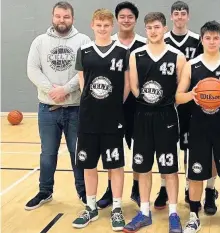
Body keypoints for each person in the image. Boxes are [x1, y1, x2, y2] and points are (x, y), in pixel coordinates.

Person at [177, 20, 220, 233]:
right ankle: (193, 216)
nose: (212, 41)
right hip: (198, 125)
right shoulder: (192, 64)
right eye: (208, 37)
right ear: (202, 39)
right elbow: (178, 97)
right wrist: (193, 94)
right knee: (196, 174)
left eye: (216, 38)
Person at [123, 12, 185, 233]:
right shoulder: (136, 55)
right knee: (143, 166)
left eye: (157, 27)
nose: (153, 31)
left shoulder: (177, 56)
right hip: (142, 116)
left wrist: (166, 104)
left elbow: (180, 88)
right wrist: (147, 101)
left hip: (166, 117)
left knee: (170, 168)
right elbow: (134, 87)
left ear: (165, 29)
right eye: (149, 28)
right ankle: (144, 212)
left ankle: (174, 213)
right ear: (145, 30)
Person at [25, 1, 90, 211]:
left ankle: (83, 192)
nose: (62, 20)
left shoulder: (83, 40)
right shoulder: (40, 41)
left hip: (76, 108)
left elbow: (86, 71)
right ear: (53, 17)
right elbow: (33, 70)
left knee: (77, 152)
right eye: (58, 16)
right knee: (47, 154)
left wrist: (65, 90)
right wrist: (52, 90)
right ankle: (45, 191)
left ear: (73, 18)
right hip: (48, 110)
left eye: (66, 17)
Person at [71, 8, 129, 231]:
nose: (103, 28)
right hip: (88, 118)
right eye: (99, 25)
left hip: (113, 118)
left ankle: (116, 208)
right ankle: (91, 206)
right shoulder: (84, 51)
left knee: (115, 165)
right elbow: (82, 83)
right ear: (92, 26)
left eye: (107, 25)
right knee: (88, 164)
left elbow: (124, 87)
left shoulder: (122, 51)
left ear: (112, 26)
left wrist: (112, 105)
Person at [159, 0, 219, 214]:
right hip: (165, 104)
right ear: (172, 17)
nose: (180, 16)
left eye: (183, 13)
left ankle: (202, 188)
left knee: (194, 150)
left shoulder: (198, 40)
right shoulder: (162, 40)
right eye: (176, 13)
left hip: (194, 103)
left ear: (188, 16)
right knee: (165, 147)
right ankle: (164, 187)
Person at [97, 1, 147, 210]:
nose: (126, 20)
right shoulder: (108, 43)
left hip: (138, 106)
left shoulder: (144, 44)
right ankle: (111, 189)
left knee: (138, 149)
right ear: (116, 20)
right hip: (112, 107)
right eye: (122, 17)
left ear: (135, 20)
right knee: (112, 150)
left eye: (130, 17)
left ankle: (136, 188)